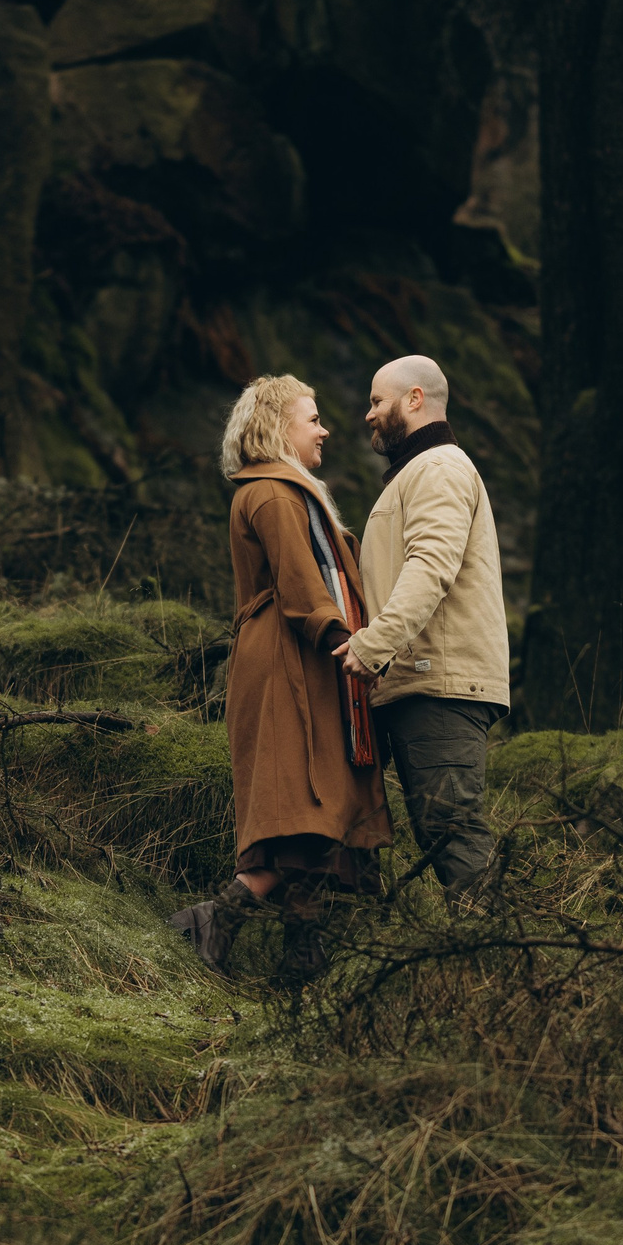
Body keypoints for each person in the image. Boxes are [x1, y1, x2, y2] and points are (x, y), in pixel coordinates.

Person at [170, 375, 392, 981]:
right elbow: (300, 587)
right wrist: (351, 642)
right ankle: (218, 917)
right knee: (302, 805)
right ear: (276, 426)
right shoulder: (272, 492)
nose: (324, 429)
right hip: (289, 665)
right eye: (313, 418)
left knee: (312, 810)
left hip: (304, 664)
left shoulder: (285, 491)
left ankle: (302, 957)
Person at [334, 354, 510, 900]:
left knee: (451, 833)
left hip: (440, 682)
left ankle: (505, 969)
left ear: (415, 399)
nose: (368, 414)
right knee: (439, 832)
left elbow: (430, 566)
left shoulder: (438, 468)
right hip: (418, 680)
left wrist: (372, 646)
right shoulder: (419, 473)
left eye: (377, 400)